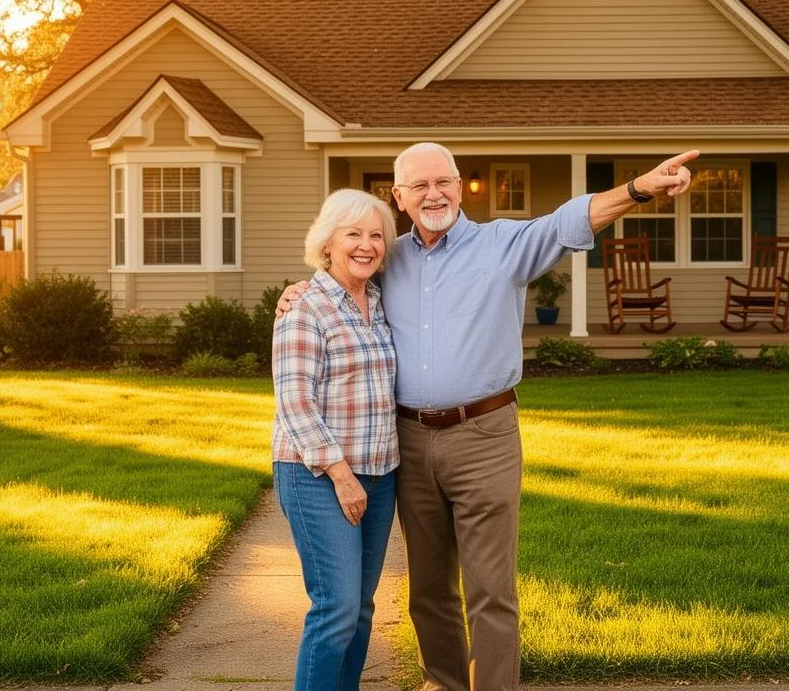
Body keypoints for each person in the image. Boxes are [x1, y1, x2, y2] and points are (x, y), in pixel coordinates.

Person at [279, 144, 698, 691]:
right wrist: (300, 289)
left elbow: (570, 220)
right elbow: (339, 279)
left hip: (484, 436)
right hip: (408, 441)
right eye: (419, 186)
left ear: (459, 186)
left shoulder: (502, 245)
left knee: (490, 590)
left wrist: (639, 189)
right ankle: (443, 684)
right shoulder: (389, 258)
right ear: (399, 197)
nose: (434, 194)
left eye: (443, 182)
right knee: (428, 588)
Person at [272, 187, 399, 691]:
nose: (366, 245)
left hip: (380, 473)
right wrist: (342, 476)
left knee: (361, 608)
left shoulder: (381, 302)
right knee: (337, 607)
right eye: (353, 234)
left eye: (376, 235)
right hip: (318, 475)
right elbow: (294, 401)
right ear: (327, 243)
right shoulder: (306, 307)